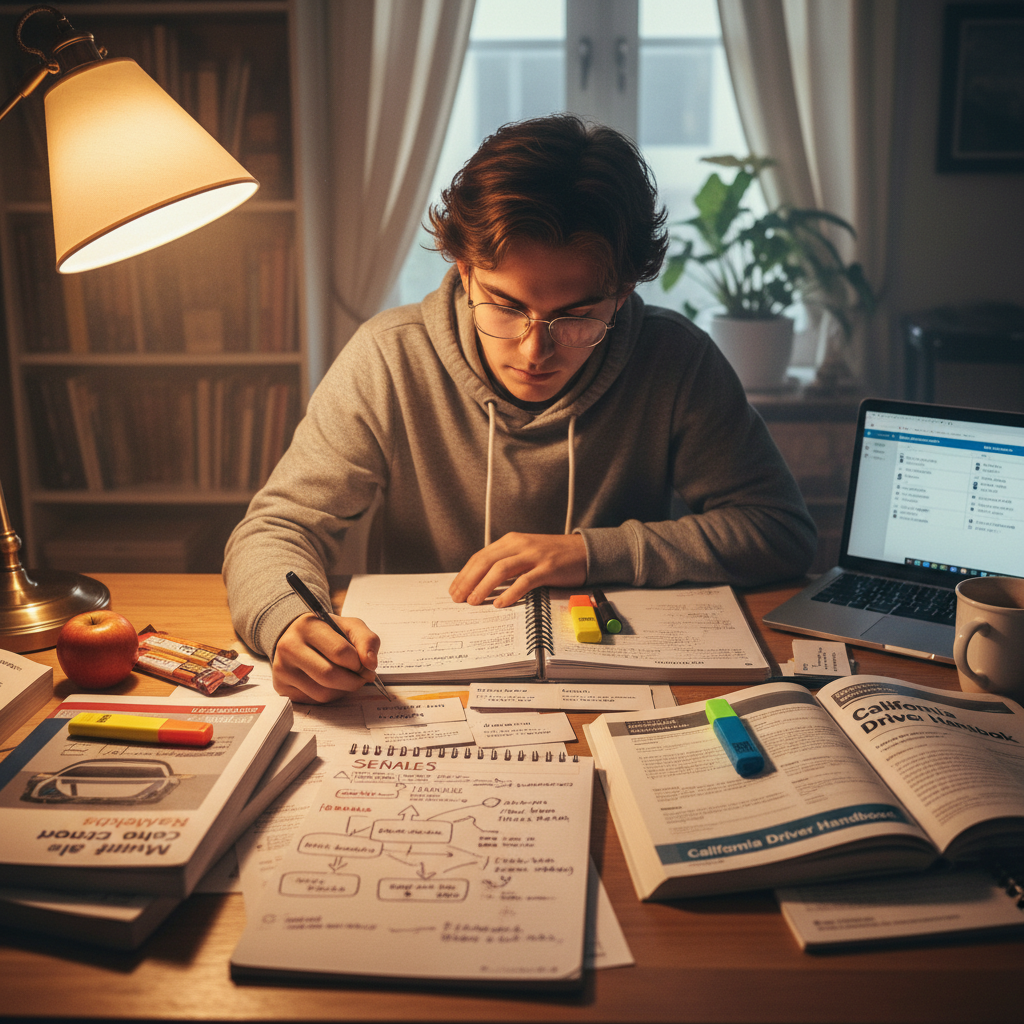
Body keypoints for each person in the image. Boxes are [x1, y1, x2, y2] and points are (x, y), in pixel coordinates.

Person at [224, 113, 816, 704]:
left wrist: (591, 552)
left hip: (620, 685)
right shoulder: (389, 355)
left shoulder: (676, 358)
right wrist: (288, 622)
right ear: (464, 269)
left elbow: (780, 531)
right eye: (504, 306)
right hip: (423, 696)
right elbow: (278, 527)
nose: (536, 350)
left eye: (577, 317)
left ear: (624, 293)